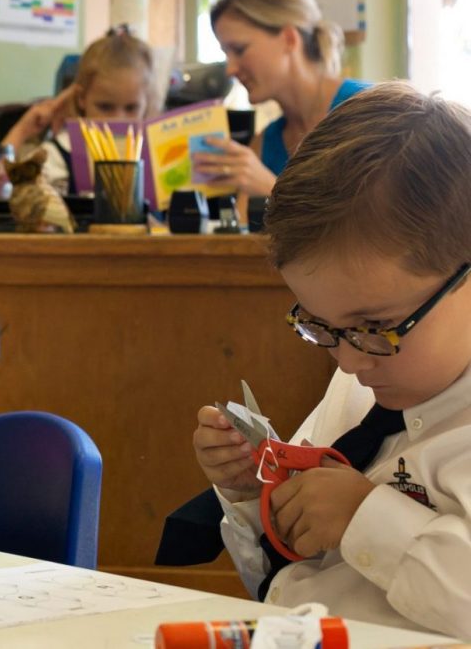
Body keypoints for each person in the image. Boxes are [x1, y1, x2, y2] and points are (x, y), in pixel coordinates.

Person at [188, 83, 471, 638]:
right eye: (320, 326)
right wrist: (258, 494)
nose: (346, 363)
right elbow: (295, 583)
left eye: (376, 327)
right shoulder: (366, 385)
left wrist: (366, 520)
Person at [194, 0, 369, 197]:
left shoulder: (368, 114)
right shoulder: (263, 145)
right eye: (226, 54)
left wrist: (273, 190)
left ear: (289, 39)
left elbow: (376, 225)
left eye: (238, 50)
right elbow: (243, 229)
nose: (230, 69)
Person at [1, 27, 155, 196]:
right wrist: (22, 130)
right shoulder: (59, 153)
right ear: (82, 98)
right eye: (105, 107)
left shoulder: (156, 151)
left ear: (146, 102)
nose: (117, 120)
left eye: (131, 108)